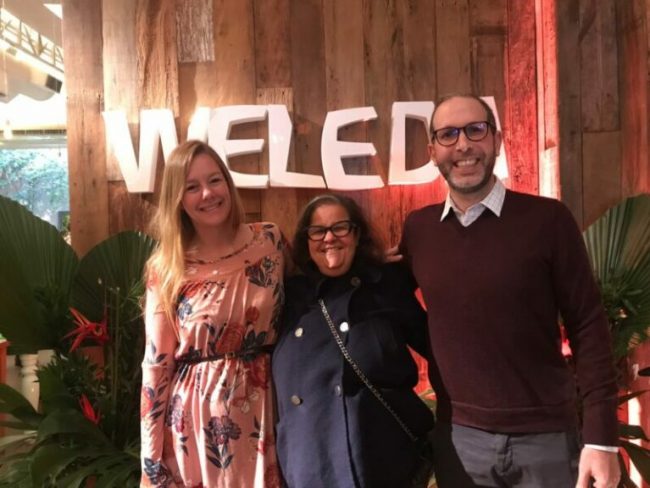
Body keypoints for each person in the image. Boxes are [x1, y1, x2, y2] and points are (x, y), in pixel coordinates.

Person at [400, 94, 620, 488]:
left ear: (497, 141)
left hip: (546, 439)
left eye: (475, 130)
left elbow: (588, 325)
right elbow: (389, 300)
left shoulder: (548, 220)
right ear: (433, 152)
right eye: (448, 135)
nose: (463, 144)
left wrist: (601, 438)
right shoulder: (419, 229)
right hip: (459, 439)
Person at [140, 140, 284, 487]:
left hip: (268, 408)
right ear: (178, 199)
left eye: (214, 180)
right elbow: (157, 365)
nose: (207, 194)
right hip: (198, 423)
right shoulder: (168, 268)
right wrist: (151, 462)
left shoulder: (270, 241)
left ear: (228, 183)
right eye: (192, 187)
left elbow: (314, 287)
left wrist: (370, 262)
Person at [272, 194, 434, 488]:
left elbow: (438, 348)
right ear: (306, 242)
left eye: (340, 227)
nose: (329, 238)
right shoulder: (288, 297)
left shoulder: (384, 284)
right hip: (312, 460)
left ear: (357, 235)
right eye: (318, 231)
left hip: (383, 458)